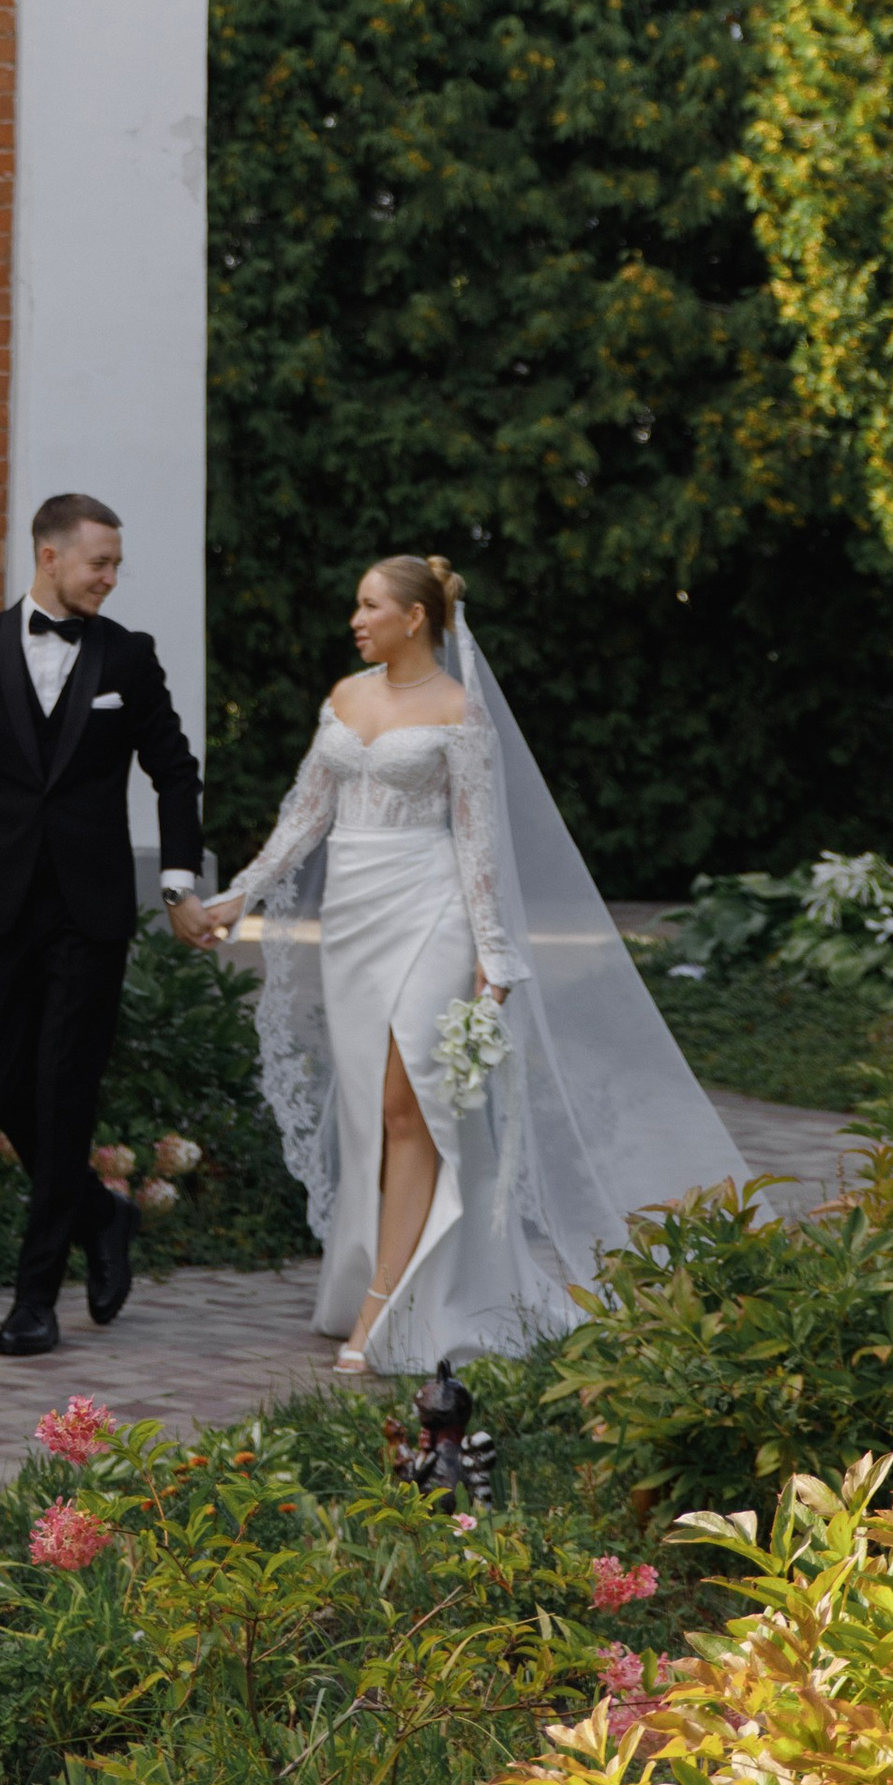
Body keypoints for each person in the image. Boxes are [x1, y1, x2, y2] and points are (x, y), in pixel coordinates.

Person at [201, 552, 743, 1373]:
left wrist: (495, 957)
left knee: (409, 1103)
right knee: (368, 1115)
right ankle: (380, 1278)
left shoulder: (459, 711)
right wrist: (239, 895)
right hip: (352, 919)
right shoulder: (345, 698)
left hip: (432, 910)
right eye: (356, 603)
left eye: (370, 604)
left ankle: (382, 1309)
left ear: (414, 617)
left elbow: (479, 841)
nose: (355, 618)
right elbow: (306, 813)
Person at [0, 491, 208, 1358]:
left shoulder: (129, 655)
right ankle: (97, 1210)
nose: (111, 578)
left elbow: (175, 772)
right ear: (49, 555)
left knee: (63, 1091)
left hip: (92, 906)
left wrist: (178, 880)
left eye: (115, 564)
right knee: (2, 1084)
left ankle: (34, 1300)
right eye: (99, 563)